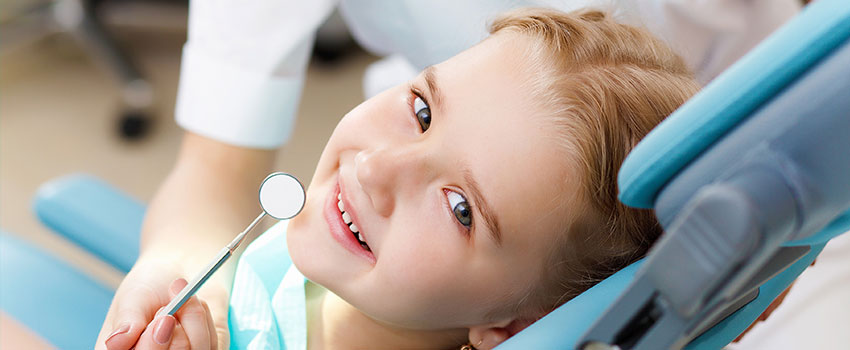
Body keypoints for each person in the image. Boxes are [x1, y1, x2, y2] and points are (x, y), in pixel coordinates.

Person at [98, 8, 705, 349]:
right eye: (422, 111)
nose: (376, 167)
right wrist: (171, 268)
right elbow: (211, 172)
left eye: (461, 207)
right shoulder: (322, 265)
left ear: (511, 327)